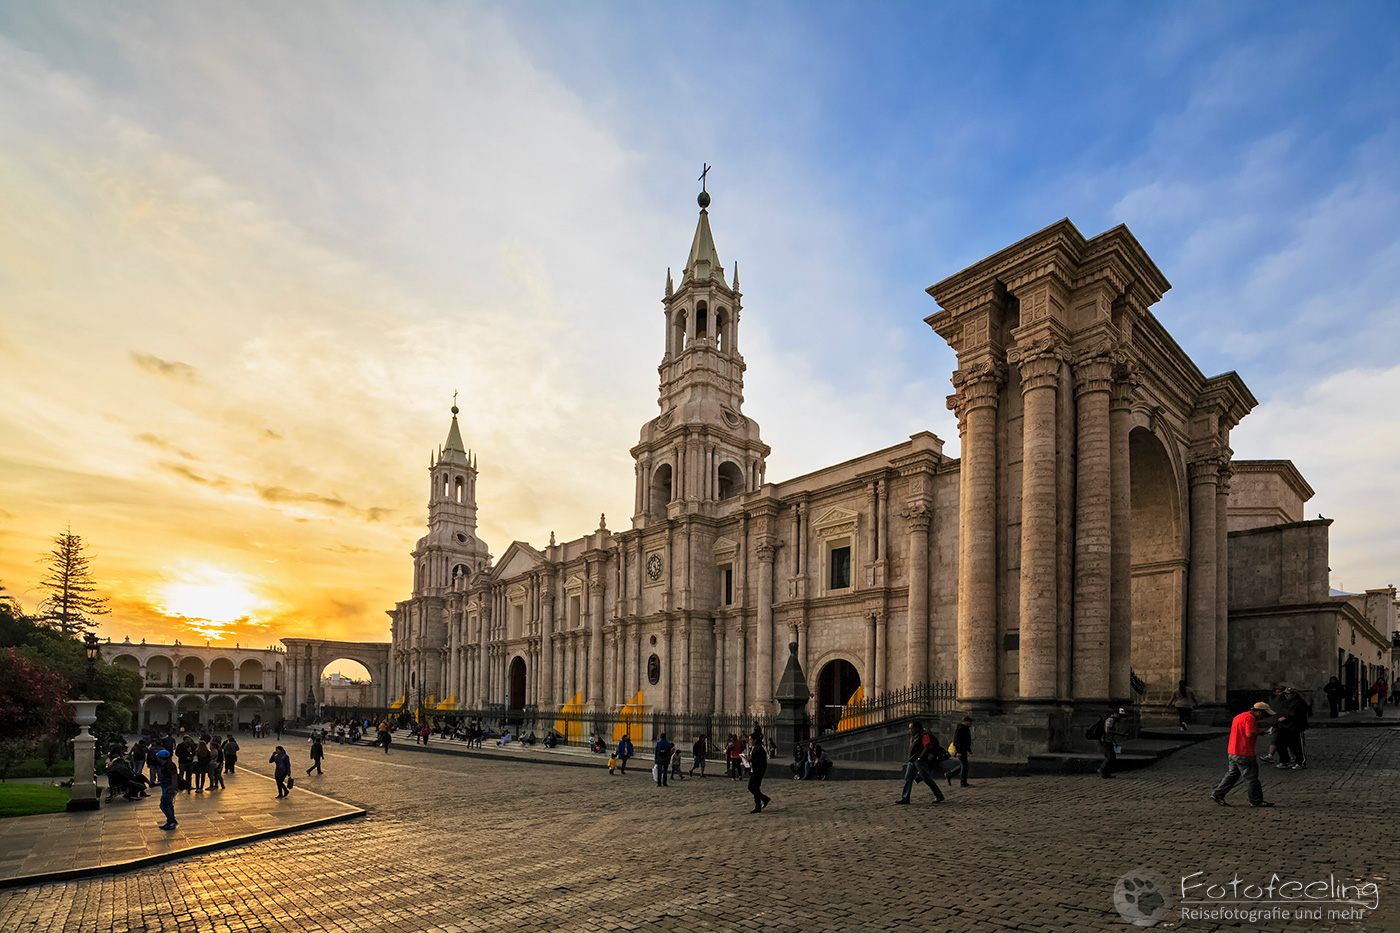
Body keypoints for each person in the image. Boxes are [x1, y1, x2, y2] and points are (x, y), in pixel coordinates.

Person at [1212, 701, 1276, 807]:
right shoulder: (1250, 719)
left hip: (1233, 751)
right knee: (1251, 778)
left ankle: (1218, 794)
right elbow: (1249, 734)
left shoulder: (1240, 716)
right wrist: (1261, 732)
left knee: (1232, 775)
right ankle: (1256, 800)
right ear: (1259, 712)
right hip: (1244, 752)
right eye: (1264, 715)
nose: (1264, 718)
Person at [896, 720, 946, 804]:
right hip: (912, 760)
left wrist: (920, 757)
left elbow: (927, 746)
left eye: (911, 728)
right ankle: (905, 798)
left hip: (919, 761)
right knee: (908, 779)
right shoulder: (915, 735)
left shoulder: (924, 735)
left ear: (916, 728)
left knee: (927, 779)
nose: (910, 730)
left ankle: (939, 795)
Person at [1275, 686, 1310, 769]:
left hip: (1295, 726)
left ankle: (1301, 762)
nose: (1287, 696)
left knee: (1297, 745)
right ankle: (1285, 761)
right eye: (1286, 694)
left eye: (1289, 694)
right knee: (1279, 743)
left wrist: (1286, 717)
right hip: (1284, 726)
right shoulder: (1285, 703)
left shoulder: (1299, 702)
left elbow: (1295, 714)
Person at [747, 728, 771, 813]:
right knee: (751, 787)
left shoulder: (760, 749)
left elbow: (761, 762)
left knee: (755, 788)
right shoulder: (753, 749)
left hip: (758, 772)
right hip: (753, 771)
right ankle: (764, 798)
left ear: (755, 740)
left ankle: (758, 806)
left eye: (751, 740)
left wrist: (750, 760)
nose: (750, 741)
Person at [1098, 708, 1125, 779]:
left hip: (1108, 740)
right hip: (1105, 740)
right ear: (1115, 714)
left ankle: (1106, 773)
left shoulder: (1114, 721)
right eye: (1120, 715)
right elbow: (1108, 731)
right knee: (1111, 756)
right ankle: (1102, 769)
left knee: (1111, 757)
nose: (1121, 718)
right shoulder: (1110, 720)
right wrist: (1120, 734)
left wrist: (1114, 742)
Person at [155, 748, 179, 830]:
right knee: (169, 804)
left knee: (164, 805)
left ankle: (171, 821)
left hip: (168, 787)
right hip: (167, 787)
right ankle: (171, 821)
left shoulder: (168, 766)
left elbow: (174, 776)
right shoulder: (169, 764)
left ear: (159, 757)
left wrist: (172, 788)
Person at [952, 716, 974, 788]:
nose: (971, 724)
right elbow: (957, 741)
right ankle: (963, 782)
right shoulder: (960, 729)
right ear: (966, 722)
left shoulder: (966, 729)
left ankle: (949, 774)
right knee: (964, 766)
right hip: (961, 750)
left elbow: (967, 741)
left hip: (963, 749)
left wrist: (969, 750)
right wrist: (958, 751)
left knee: (963, 765)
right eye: (970, 722)